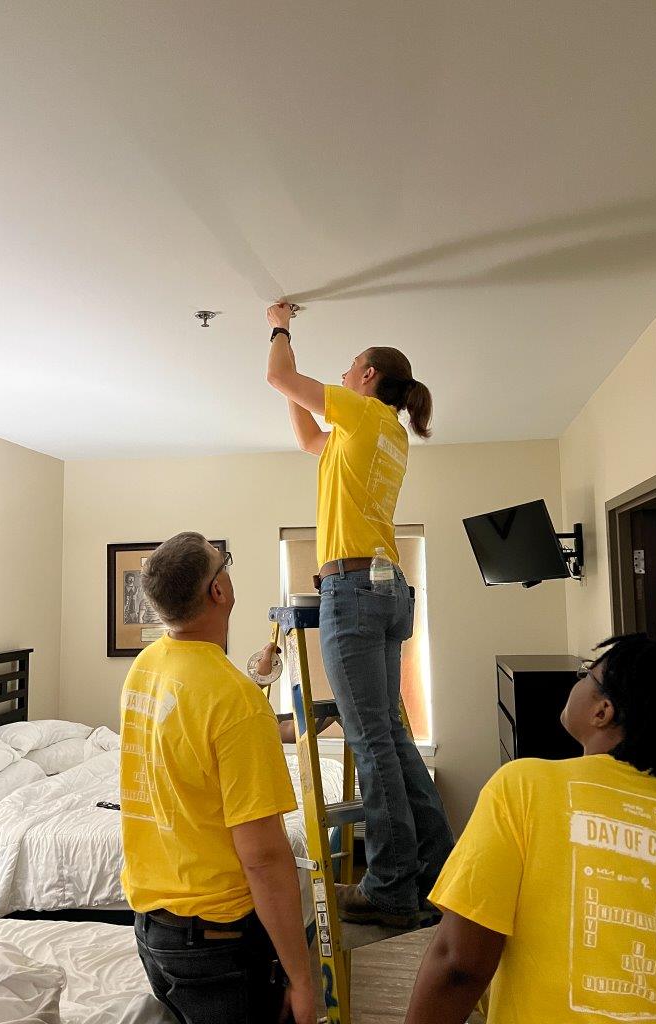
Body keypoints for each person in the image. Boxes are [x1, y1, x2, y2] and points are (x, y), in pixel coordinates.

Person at [266, 302, 454, 929]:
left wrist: (279, 323)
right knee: (393, 739)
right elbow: (306, 438)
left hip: (354, 589)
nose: (342, 378)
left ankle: (391, 889)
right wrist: (302, 398)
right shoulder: (382, 431)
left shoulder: (364, 412)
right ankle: (437, 875)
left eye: (348, 370)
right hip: (388, 589)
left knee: (372, 741)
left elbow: (279, 376)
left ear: (369, 377)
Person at [405, 633, 656, 1024]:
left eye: (585, 675)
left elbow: (458, 964)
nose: (575, 682)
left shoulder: (525, 786)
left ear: (603, 712)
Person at [119, 532, 315, 1024]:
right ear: (219, 591)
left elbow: (200, 729)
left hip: (153, 932)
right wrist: (303, 977)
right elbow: (266, 859)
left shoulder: (145, 668)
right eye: (223, 563)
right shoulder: (233, 701)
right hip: (216, 944)